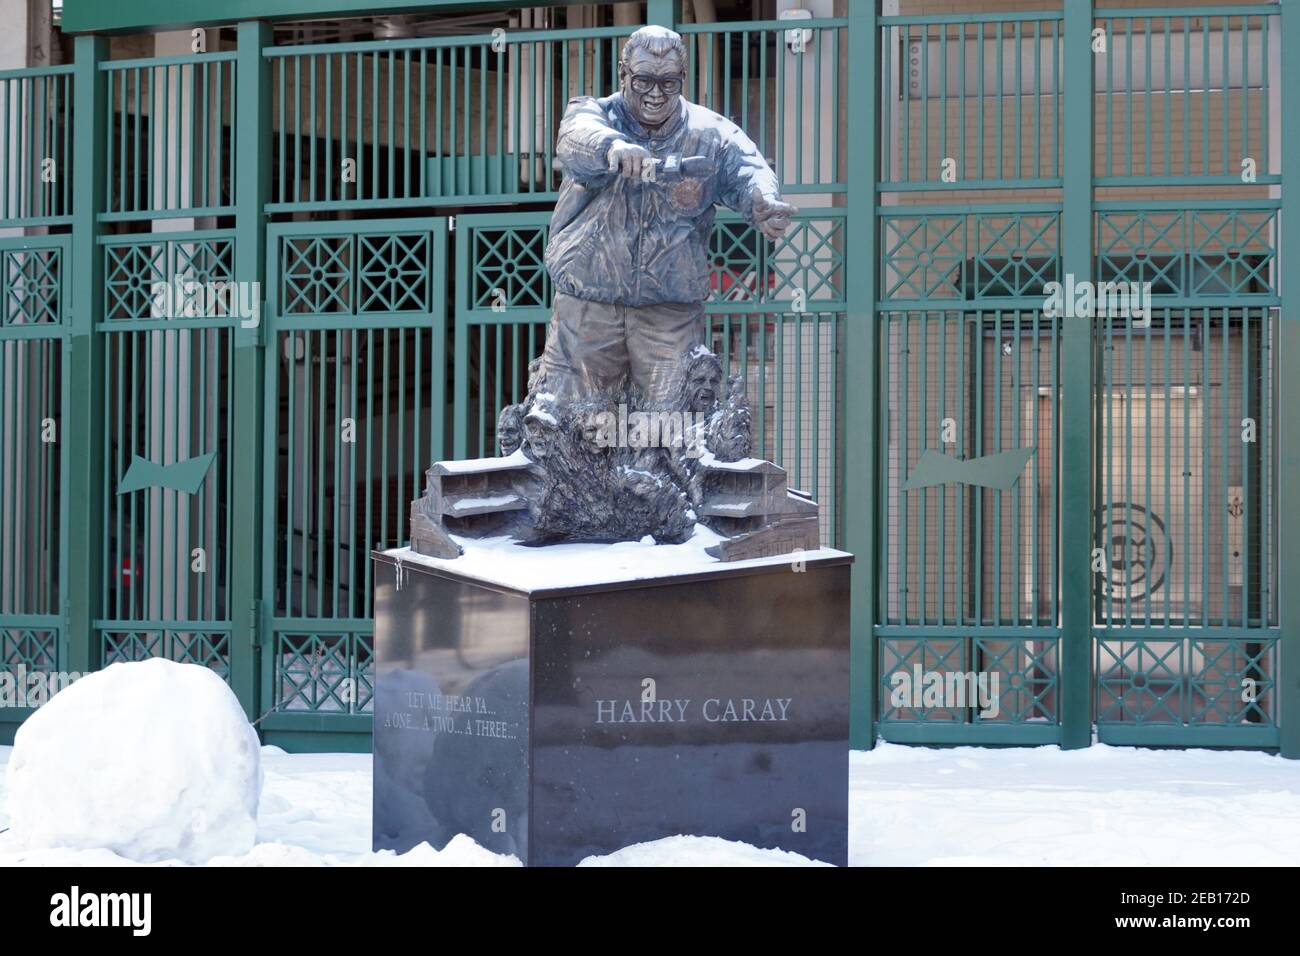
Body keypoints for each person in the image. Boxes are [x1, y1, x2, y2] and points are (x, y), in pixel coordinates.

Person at [539, 25, 796, 407]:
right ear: (624, 74)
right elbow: (576, 137)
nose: (656, 94)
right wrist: (613, 148)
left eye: (668, 82)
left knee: (674, 423)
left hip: (669, 312)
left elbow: (749, 169)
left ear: (683, 79)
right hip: (588, 302)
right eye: (643, 81)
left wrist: (762, 202)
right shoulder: (593, 114)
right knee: (567, 420)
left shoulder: (711, 134)